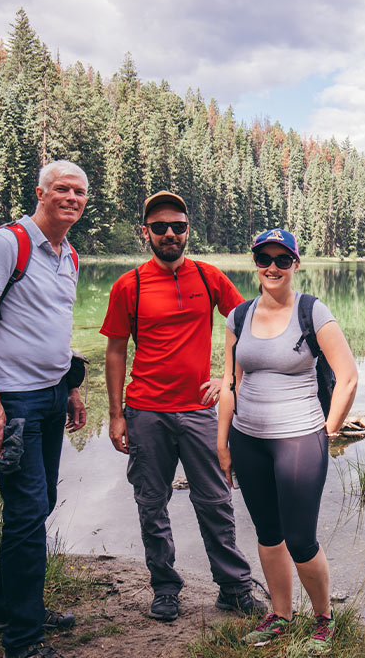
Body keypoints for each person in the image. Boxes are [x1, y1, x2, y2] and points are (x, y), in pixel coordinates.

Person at [100, 191, 262, 622]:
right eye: (160, 227)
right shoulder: (128, 285)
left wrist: (227, 380)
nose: (170, 233)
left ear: (188, 230)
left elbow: (249, 326)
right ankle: (165, 588)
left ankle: (233, 588)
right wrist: (116, 414)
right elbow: (116, 352)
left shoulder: (209, 278)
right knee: (151, 503)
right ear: (146, 233)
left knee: (215, 500)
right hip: (145, 411)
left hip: (198, 411)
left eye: (178, 226)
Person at [0, 160, 90, 658]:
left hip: (52, 396)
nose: (71, 198)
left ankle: (12, 607)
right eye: (62, 189)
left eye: (79, 191)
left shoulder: (68, 254)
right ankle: (23, 639)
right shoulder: (4, 245)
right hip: (12, 403)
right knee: (27, 512)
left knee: (37, 507)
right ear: (40, 191)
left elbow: (50, 328)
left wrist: (71, 388)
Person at [217, 228, 358, 655]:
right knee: (267, 533)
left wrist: (327, 430)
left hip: (300, 438)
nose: (273, 268)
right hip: (249, 439)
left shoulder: (312, 312)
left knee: (300, 538)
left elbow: (348, 376)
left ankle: (323, 619)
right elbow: (229, 381)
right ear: (255, 263)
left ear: (296, 264)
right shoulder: (238, 317)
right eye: (265, 259)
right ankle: (280, 615)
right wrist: (222, 443)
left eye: (282, 260)